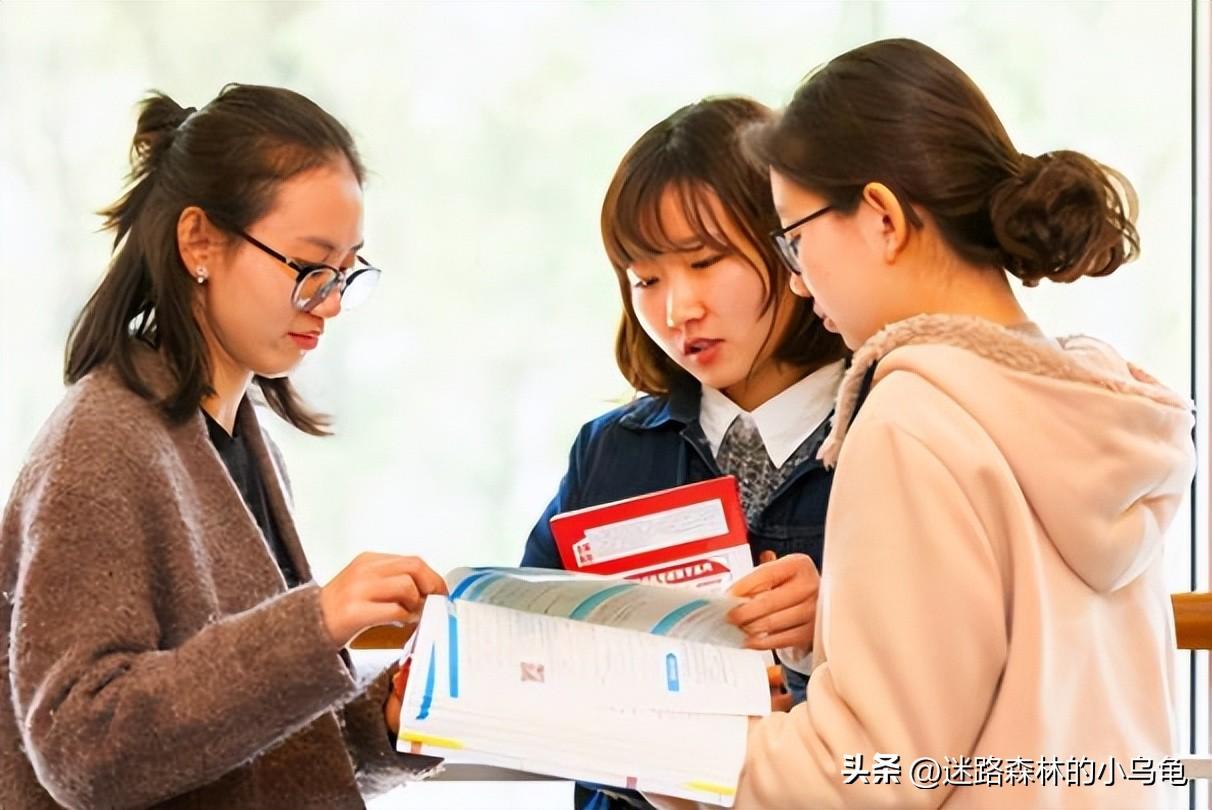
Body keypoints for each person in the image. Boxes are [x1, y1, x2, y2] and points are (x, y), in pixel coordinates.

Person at [650, 38, 1196, 809]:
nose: (799, 284)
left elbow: (874, 774)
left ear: (880, 218)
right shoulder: (1089, 405)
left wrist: (668, 749)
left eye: (796, 240)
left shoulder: (915, 418)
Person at [0, 84, 447, 808]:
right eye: (309, 268)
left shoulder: (238, 438)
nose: (330, 302)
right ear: (200, 242)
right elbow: (83, 745)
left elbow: (243, 735)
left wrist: (388, 723)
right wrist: (319, 621)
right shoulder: (100, 445)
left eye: (345, 272)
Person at [519, 96, 847, 809]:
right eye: (646, 279)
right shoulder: (611, 453)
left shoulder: (888, 433)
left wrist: (835, 627)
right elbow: (522, 665)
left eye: (704, 261)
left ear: (790, 247)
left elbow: (950, 698)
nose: (678, 310)